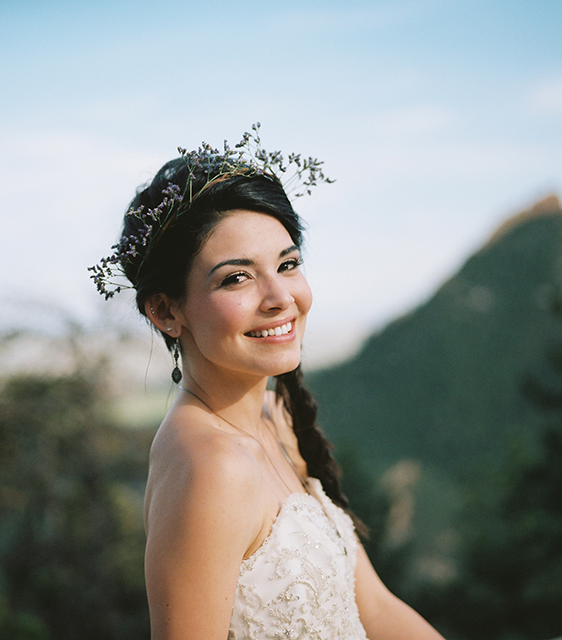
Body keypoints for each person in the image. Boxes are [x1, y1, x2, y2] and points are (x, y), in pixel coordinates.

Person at [90, 127, 444, 639]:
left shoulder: (274, 418)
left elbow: (376, 609)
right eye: (237, 277)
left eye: (288, 264)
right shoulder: (211, 466)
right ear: (166, 311)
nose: (280, 296)